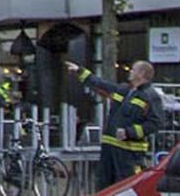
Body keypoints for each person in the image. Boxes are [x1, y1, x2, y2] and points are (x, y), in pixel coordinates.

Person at [66, 58, 163, 186]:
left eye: (133, 70)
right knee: (104, 185)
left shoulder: (150, 96)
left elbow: (155, 123)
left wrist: (129, 132)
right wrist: (80, 71)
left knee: (127, 187)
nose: (130, 72)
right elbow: (101, 84)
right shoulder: (124, 90)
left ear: (141, 74)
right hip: (109, 149)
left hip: (130, 154)